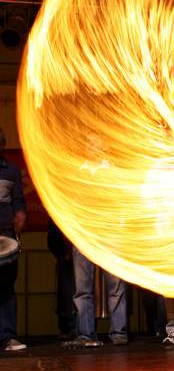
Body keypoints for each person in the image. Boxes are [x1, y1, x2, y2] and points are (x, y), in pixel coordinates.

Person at [63, 133, 129, 347]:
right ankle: (86, 333)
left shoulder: (114, 172)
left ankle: (118, 332)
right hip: (83, 235)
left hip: (110, 234)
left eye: (97, 144)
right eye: (89, 144)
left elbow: (122, 202)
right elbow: (68, 205)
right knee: (82, 288)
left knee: (116, 286)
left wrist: (120, 230)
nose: (93, 147)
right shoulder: (76, 172)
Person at [0, 127, 27, 352]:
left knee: (7, 288)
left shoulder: (11, 170)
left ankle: (8, 337)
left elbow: (18, 200)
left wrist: (20, 215)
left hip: (5, 235)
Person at [47, 219, 77, 340]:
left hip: (74, 248)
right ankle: (70, 327)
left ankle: (74, 328)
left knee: (70, 289)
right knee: (68, 289)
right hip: (67, 250)